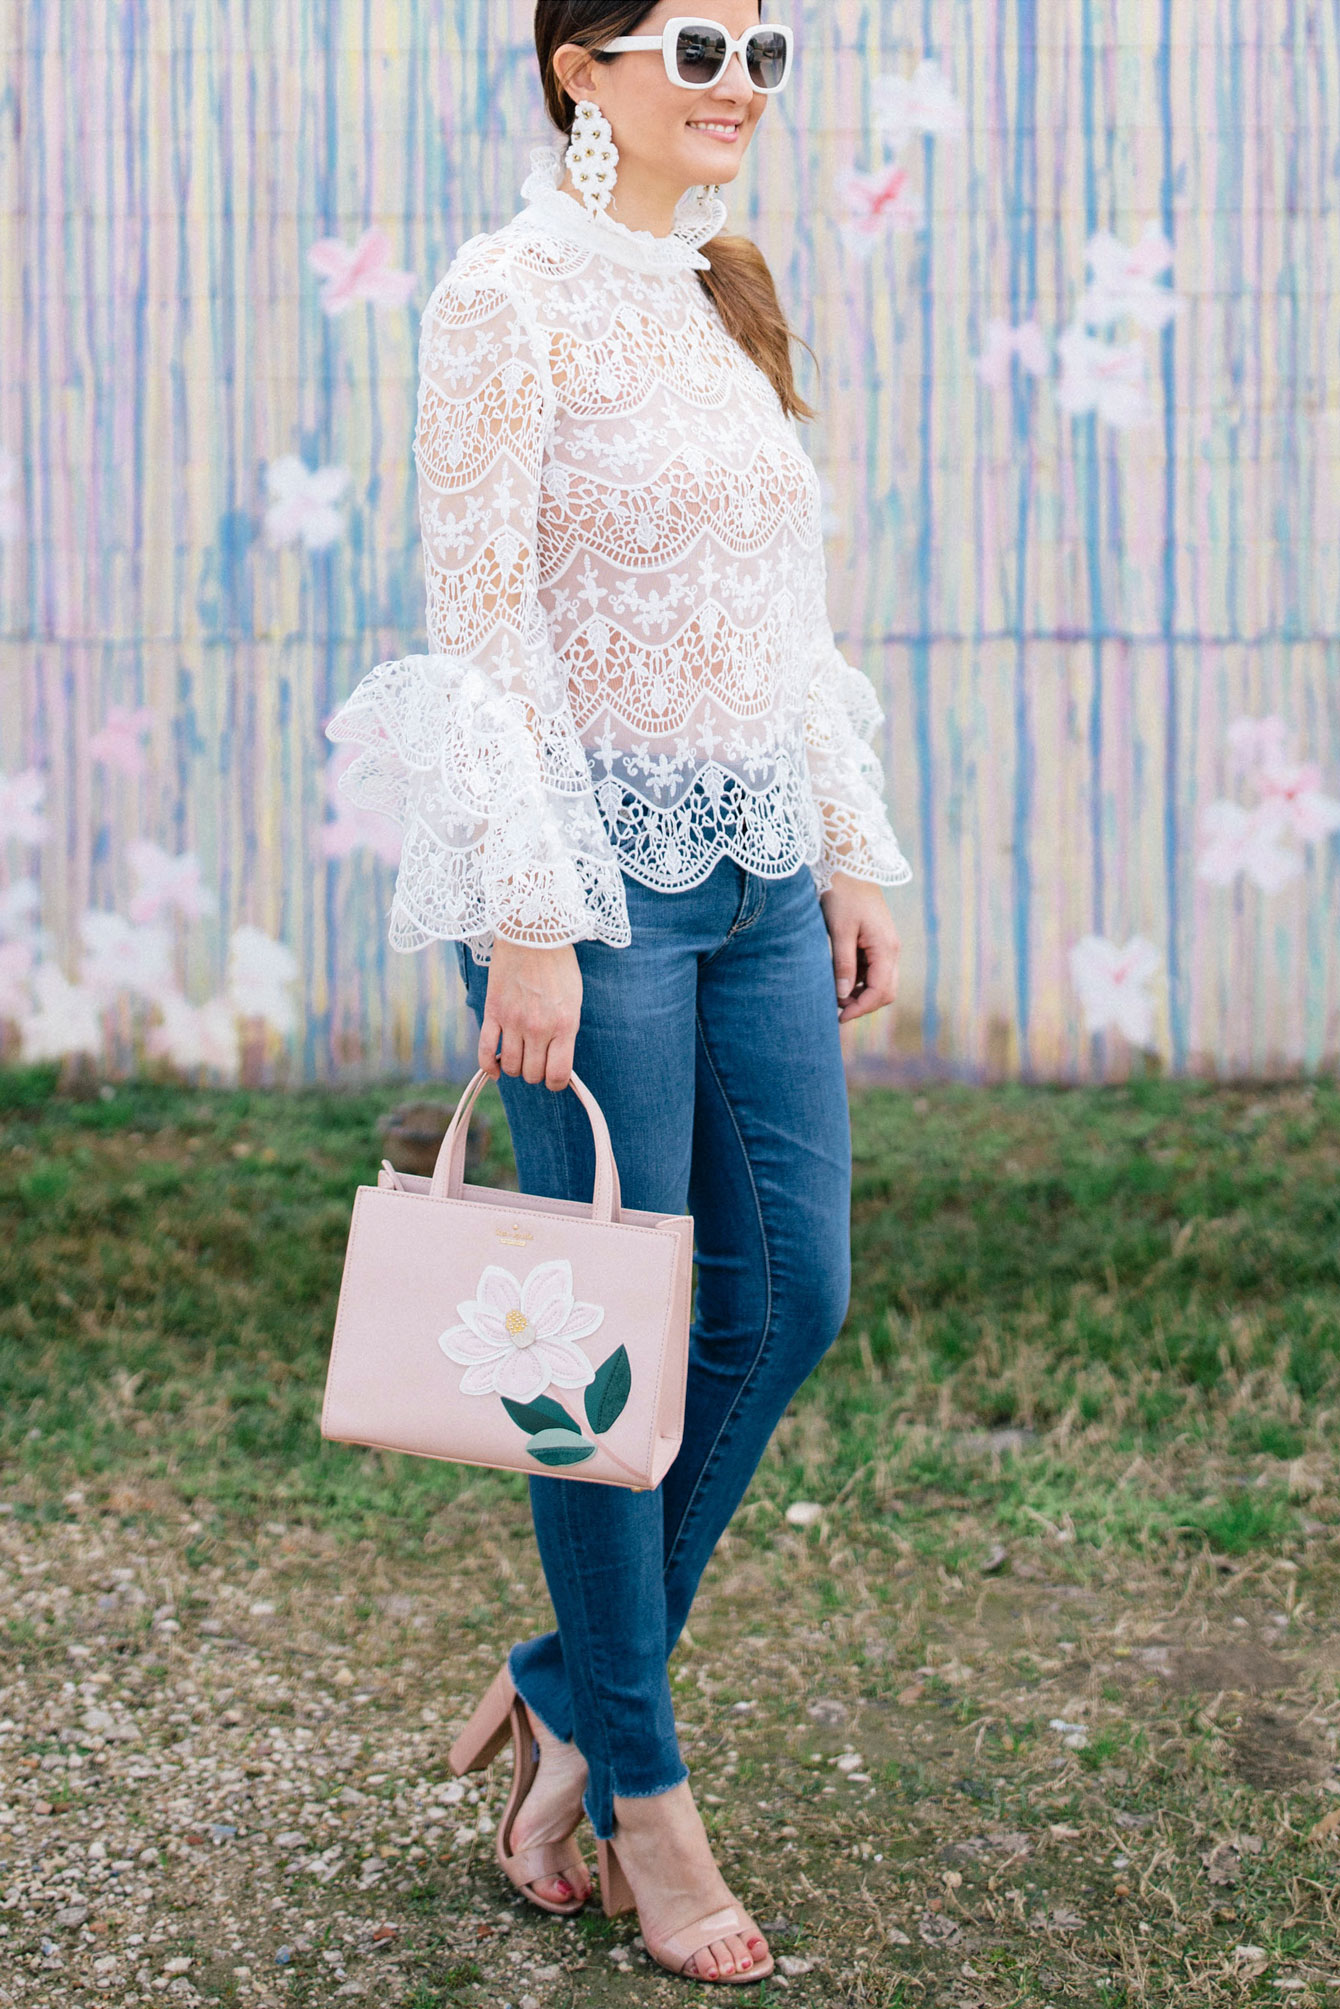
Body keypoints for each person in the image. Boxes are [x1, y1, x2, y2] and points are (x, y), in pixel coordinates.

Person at [328, 0, 911, 1983]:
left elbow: (778, 608)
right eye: (690, 46)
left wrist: (846, 841)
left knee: (793, 1291)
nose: (733, 83)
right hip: (600, 904)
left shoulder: (718, 283)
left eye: (761, 49)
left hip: (755, 881)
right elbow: (482, 614)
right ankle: (640, 1792)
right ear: (579, 64)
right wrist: (526, 916)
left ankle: (568, 1680)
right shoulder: (509, 298)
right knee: (600, 1349)